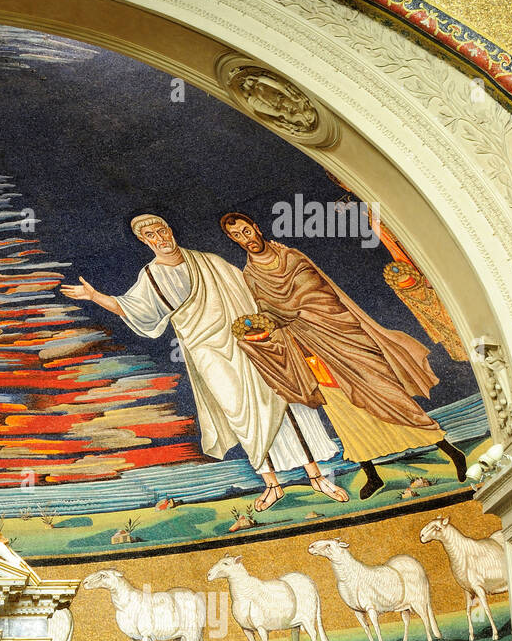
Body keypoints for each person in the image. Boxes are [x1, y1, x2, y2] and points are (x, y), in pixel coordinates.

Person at [61, 214, 345, 510]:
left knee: (280, 400)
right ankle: (272, 484)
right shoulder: (151, 276)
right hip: (207, 352)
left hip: (247, 341)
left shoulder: (208, 261)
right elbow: (131, 308)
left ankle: (316, 477)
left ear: (170, 230)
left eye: (161, 231)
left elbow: (250, 290)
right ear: (144, 242)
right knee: (240, 413)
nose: (160, 238)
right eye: (151, 236)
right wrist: (94, 296)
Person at [219, 212, 465, 499]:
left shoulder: (292, 259)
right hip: (309, 349)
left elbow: (319, 296)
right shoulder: (251, 276)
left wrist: (288, 314)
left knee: (385, 392)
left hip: (341, 337)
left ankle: (450, 450)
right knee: (342, 411)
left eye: (246, 231)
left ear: (256, 227)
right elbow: (268, 312)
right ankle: (372, 475)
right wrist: (262, 331)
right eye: (237, 236)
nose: (245, 239)